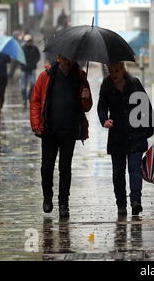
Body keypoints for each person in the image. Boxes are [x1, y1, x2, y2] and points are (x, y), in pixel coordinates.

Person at [98, 62, 154, 216]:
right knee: (118, 172)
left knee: (135, 170)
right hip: (117, 135)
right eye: (111, 71)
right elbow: (101, 107)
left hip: (135, 133)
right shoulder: (106, 85)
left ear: (123, 69)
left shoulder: (134, 83)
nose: (114, 74)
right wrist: (104, 120)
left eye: (117, 70)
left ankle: (136, 201)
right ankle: (121, 203)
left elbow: (146, 105)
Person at [30, 55, 93, 218]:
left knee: (65, 168)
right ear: (58, 58)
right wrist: (36, 124)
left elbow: (86, 107)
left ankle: (64, 203)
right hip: (49, 130)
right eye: (64, 58)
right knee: (46, 167)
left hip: (69, 130)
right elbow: (36, 100)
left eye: (70, 58)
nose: (67, 61)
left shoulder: (79, 77)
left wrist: (86, 98)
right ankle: (47, 197)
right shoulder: (46, 76)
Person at [21, 35, 41, 108]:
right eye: (27, 41)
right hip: (24, 69)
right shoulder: (22, 48)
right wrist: (23, 65)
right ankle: (24, 99)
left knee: (33, 83)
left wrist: (33, 63)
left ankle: (29, 96)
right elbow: (19, 58)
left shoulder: (34, 48)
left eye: (30, 41)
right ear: (25, 41)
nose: (29, 42)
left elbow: (38, 56)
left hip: (32, 68)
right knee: (23, 86)